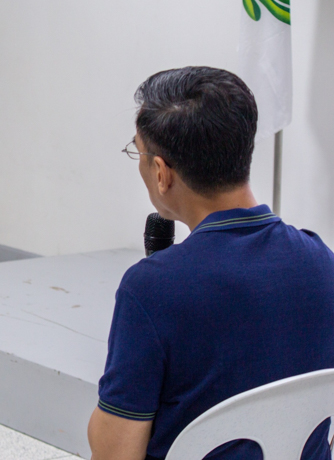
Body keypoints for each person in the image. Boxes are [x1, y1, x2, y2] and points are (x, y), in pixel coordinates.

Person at [87, 67, 334, 460]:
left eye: (139, 151)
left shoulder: (151, 289)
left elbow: (116, 452)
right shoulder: (323, 263)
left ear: (161, 172)